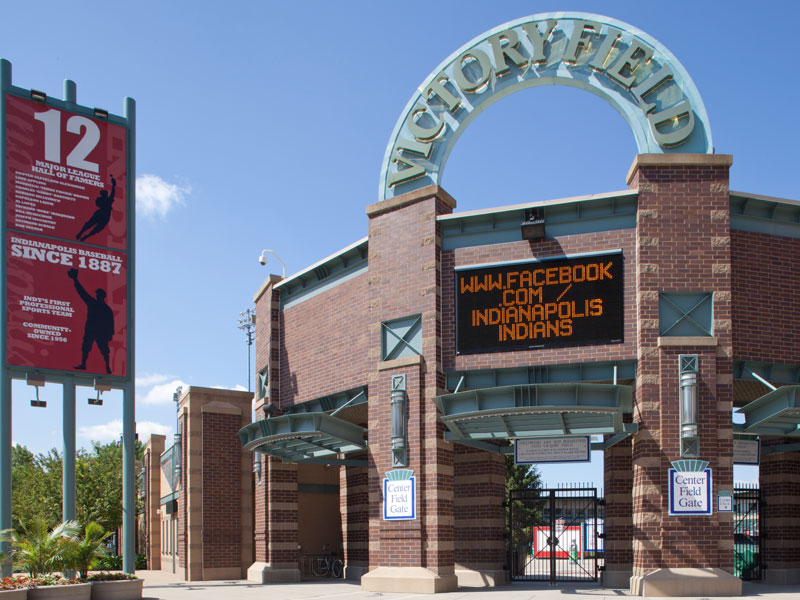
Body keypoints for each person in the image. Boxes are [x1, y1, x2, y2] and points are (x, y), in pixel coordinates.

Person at [68, 268, 114, 374]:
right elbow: (82, 292)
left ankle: (107, 367)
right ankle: (83, 364)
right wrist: (75, 280)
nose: (97, 296)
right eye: (97, 294)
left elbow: (111, 323)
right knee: (85, 347)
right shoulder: (93, 303)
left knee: (104, 350)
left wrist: (110, 334)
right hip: (90, 330)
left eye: (99, 295)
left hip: (100, 332)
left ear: (102, 296)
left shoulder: (106, 309)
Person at [76, 175, 116, 242]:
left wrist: (113, 186)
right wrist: (113, 186)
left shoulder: (107, 200)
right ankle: (81, 233)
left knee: (96, 228)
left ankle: (85, 236)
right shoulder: (102, 200)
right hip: (101, 214)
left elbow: (112, 194)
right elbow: (111, 194)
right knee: (90, 224)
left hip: (105, 215)